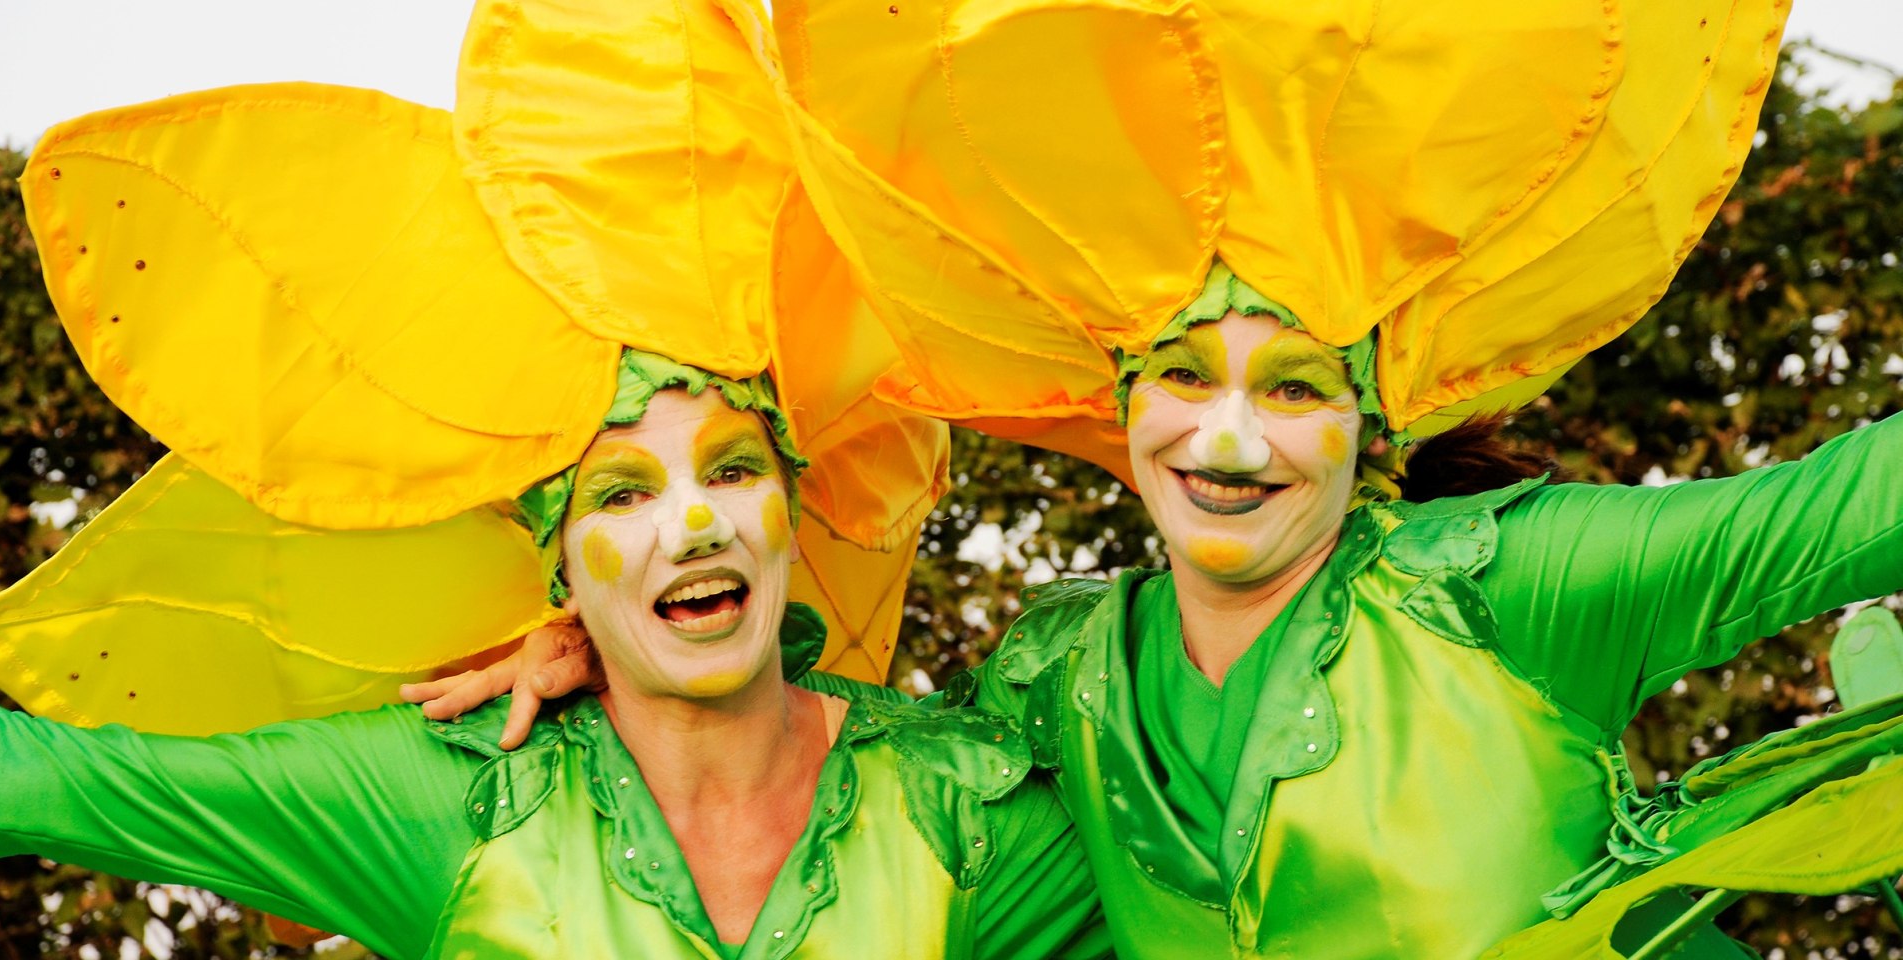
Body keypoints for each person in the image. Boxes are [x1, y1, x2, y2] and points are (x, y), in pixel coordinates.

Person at [438, 0, 1903, 955]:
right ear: (1121, 404)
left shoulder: (1508, 583)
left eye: (1293, 392)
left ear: (1366, 422)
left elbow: (1848, 506)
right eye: (1188, 381)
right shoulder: (1058, 675)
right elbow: (849, 791)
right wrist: (622, 658)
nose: (1229, 440)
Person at [0, 1, 1108, 954]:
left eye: (732, 469)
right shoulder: (459, 801)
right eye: (623, 493)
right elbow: (49, 781)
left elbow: (1234, 767)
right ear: (557, 562)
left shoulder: (963, 802)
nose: (695, 521)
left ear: (794, 503)